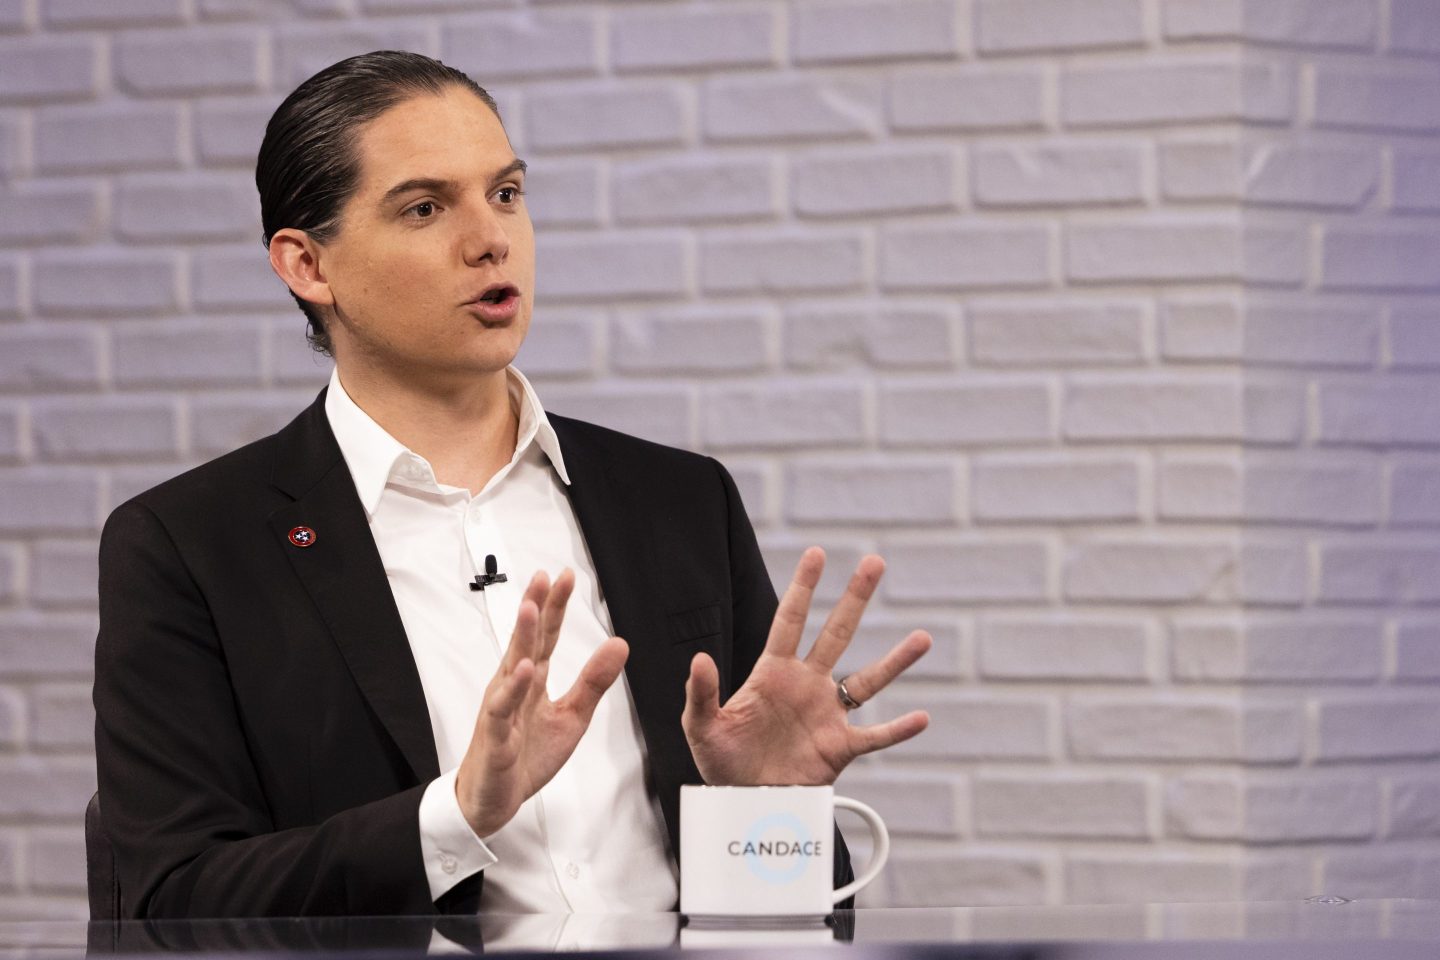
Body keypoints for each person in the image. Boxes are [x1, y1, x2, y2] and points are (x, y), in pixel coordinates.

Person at [93, 50, 932, 919]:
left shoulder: (680, 501)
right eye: (425, 207)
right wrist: (453, 818)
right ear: (309, 266)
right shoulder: (190, 546)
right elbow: (173, 900)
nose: (491, 238)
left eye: (506, 193)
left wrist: (764, 813)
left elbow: (795, 919)